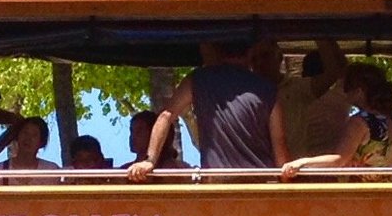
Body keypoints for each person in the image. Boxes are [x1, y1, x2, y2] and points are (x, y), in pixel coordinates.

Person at [129, 36, 279, 178]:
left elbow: (166, 115)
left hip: (218, 188)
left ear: (214, 50)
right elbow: (281, 152)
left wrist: (150, 161)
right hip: (261, 187)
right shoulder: (268, 89)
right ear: (250, 52)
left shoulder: (198, 79)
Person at [274, 38, 352, 161]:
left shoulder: (298, 95)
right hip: (332, 164)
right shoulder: (341, 98)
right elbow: (343, 69)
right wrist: (324, 35)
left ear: (304, 73)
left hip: (302, 164)